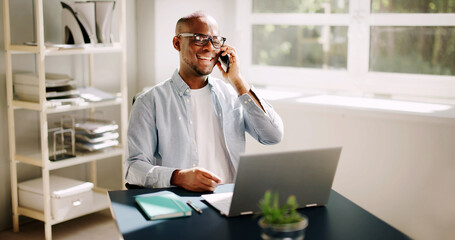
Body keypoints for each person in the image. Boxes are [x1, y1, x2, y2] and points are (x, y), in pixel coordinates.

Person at [125, 11, 283, 192]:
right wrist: (178, 176)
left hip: (230, 199)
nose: (209, 48)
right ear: (177, 43)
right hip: (183, 204)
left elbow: (273, 136)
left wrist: (238, 80)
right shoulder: (149, 102)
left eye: (215, 40)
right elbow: (133, 168)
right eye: (199, 38)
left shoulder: (233, 95)